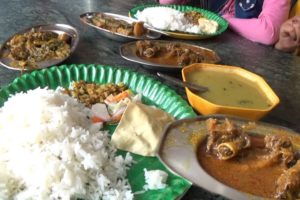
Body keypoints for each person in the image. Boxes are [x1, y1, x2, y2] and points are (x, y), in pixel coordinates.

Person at [159, 0, 292, 45]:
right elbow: (166, 3)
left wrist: (223, 20)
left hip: (245, 60)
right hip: (202, 42)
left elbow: (268, 32)